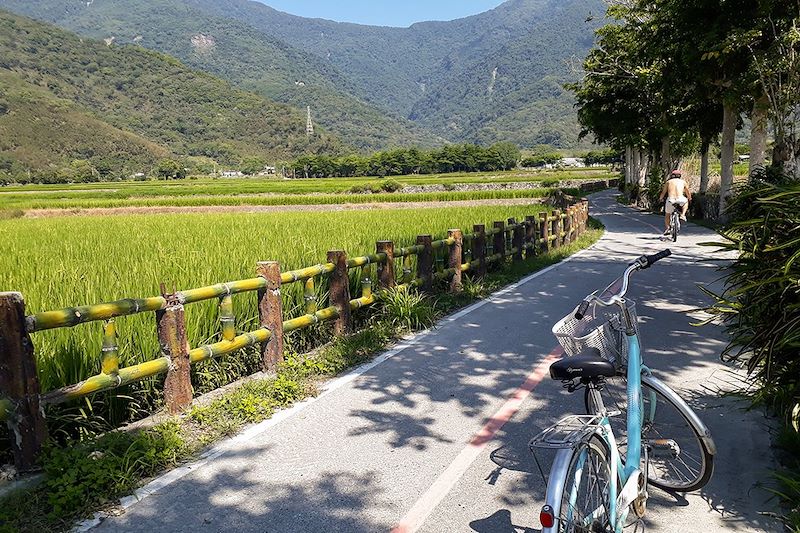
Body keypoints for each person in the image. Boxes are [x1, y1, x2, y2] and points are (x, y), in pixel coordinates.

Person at [659, 170, 691, 234]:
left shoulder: (668, 182)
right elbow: (688, 192)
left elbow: (663, 192)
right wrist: (689, 198)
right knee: (686, 201)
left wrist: (660, 198)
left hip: (671, 199)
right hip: (680, 198)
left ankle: (668, 228)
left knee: (667, 214)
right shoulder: (683, 182)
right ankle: (683, 215)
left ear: (672, 176)